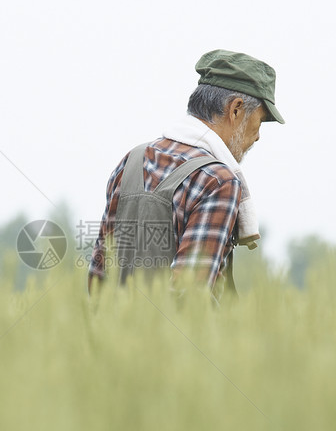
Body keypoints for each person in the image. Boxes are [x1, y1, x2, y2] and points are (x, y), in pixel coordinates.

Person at [88, 50, 284, 299]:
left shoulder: (133, 160)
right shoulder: (217, 181)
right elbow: (188, 296)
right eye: (261, 120)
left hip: (114, 332)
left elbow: (98, 277)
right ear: (235, 110)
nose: (258, 136)